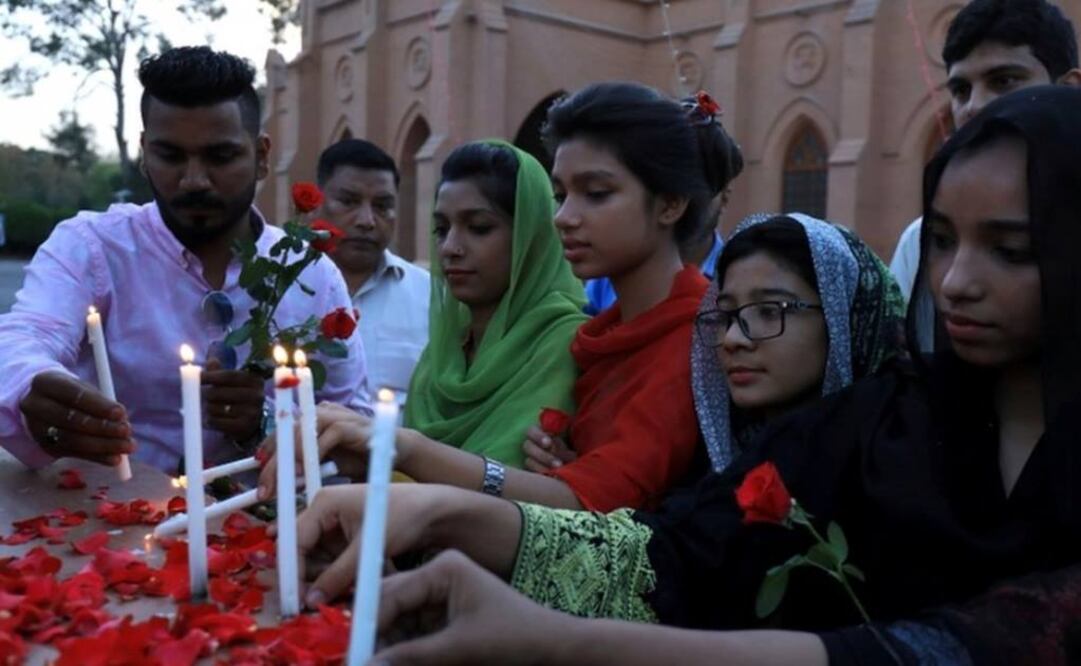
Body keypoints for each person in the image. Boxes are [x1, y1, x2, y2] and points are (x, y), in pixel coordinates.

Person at [293, 86, 1081, 665]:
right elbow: (675, 553)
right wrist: (441, 514)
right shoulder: (882, 423)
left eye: (1010, 249)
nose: (953, 283)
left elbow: (973, 647)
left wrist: (566, 641)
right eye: (940, 241)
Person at [288, 210, 906, 606]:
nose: (734, 337)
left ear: (848, 322)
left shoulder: (870, 468)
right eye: (727, 314)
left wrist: (434, 501)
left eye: (770, 311)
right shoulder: (733, 446)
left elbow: (656, 555)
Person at [263, 83, 739, 512]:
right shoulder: (607, 335)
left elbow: (589, 505)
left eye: (595, 193)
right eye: (560, 195)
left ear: (671, 203)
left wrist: (399, 445)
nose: (563, 218)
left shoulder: (693, 342)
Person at [0, 47, 370, 474]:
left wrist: (262, 423)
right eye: (171, 156)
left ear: (262, 156)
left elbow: (356, 428)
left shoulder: (310, 273)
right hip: (117, 522)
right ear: (144, 152)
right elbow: (25, 335)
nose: (194, 180)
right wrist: (33, 384)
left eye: (220, 156)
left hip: (273, 528)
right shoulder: (92, 247)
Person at [889, 0, 1080, 351]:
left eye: (1003, 81)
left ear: (1068, 87)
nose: (973, 106)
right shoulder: (918, 241)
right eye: (961, 90)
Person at [583, 93, 743, 316]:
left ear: (724, 197)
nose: (678, 207)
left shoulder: (738, 278)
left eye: (695, 193)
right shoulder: (608, 277)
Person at [315, 139, 429, 402]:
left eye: (382, 206)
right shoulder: (281, 287)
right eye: (348, 201)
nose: (367, 221)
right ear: (317, 203)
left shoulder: (430, 297)